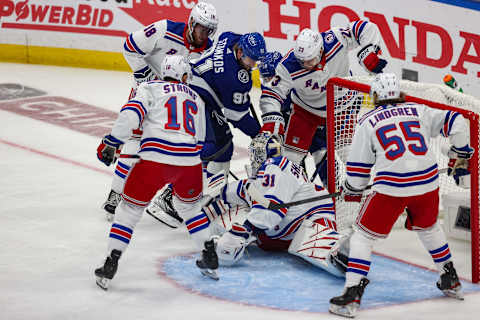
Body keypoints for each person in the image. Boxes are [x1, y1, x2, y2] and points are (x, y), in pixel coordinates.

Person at [329, 73, 473, 318]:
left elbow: (357, 172)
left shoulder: (367, 120)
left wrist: (351, 187)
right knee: (429, 229)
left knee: (362, 237)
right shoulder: (420, 109)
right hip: (428, 184)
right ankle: (450, 277)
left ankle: (352, 292)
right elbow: (457, 119)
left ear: (374, 96)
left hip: (392, 190)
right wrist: (460, 152)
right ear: (400, 93)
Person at [95, 55, 211, 290]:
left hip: (154, 161)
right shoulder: (197, 98)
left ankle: (111, 261)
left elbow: (130, 115)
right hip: (190, 164)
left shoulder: (149, 87)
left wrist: (112, 141)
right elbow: (200, 141)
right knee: (190, 209)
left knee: (128, 211)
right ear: (185, 76)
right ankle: (209, 254)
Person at [101, 2, 218, 222]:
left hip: (174, 107)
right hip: (147, 95)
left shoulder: (209, 51)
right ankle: (116, 194)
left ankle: (165, 196)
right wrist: (144, 76)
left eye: (209, 30)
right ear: (191, 22)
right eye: (202, 28)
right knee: (134, 144)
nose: (205, 34)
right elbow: (130, 46)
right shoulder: (165, 29)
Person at [146, 31, 267, 227]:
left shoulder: (230, 39)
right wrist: (260, 134)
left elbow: (227, 35)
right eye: (251, 59)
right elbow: (237, 116)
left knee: (221, 147)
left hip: (190, 88)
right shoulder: (234, 79)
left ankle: (197, 193)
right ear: (241, 52)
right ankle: (172, 197)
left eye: (256, 60)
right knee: (220, 146)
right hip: (197, 99)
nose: (253, 65)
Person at [195, 132, 348, 280]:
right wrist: (204, 206)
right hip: (286, 226)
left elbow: (272, 209)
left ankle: (341, 253)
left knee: (305, 242)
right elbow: (237, 191)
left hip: (313, 216)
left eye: (256, 153)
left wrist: (245, 230)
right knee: (234, 220)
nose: (253, 158)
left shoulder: (278, 166)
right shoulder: (264, 176)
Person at [259, 21, 387, 184]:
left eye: (310, 60)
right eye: (302, 61)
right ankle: (282, 192)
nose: (306, 65)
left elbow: (364, 27)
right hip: (306, 112)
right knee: (290, 159)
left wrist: (368, 51)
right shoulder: (289, 66)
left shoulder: (335, 39)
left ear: (320, 50)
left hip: (343, 108)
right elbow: (271, 93)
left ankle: (371, 190)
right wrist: (271, 120)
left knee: (350, 155)